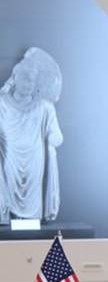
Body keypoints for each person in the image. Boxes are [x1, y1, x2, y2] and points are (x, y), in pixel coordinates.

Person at [0, 47, 63, 224]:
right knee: (6, 187)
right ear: (15, 79)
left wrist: (52, 140)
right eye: (25, 79)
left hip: (35, 158)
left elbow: (57, 136)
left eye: (32, 81)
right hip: (9, 155)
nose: (28, 84)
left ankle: (32, 219)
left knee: (33, 193)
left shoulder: (45, 107)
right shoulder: (2, 104)